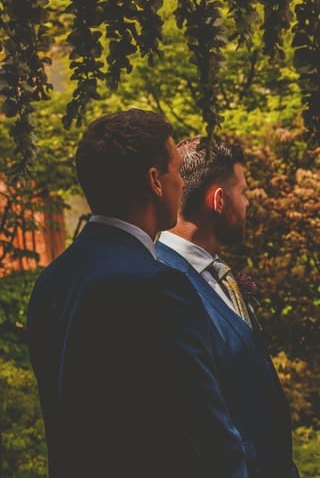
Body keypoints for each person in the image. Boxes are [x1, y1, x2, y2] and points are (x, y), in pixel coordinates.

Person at [27, 110, 248, 477]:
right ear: (155, 181)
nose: (181, 183)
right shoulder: (157, 287)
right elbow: (204, 426)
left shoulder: (52, 282)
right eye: (176, 170)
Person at [156, 138, 298, 478]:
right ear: (218, 200)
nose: (247, 203)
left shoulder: (219, 274)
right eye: (242, 192)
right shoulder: (163, 282)